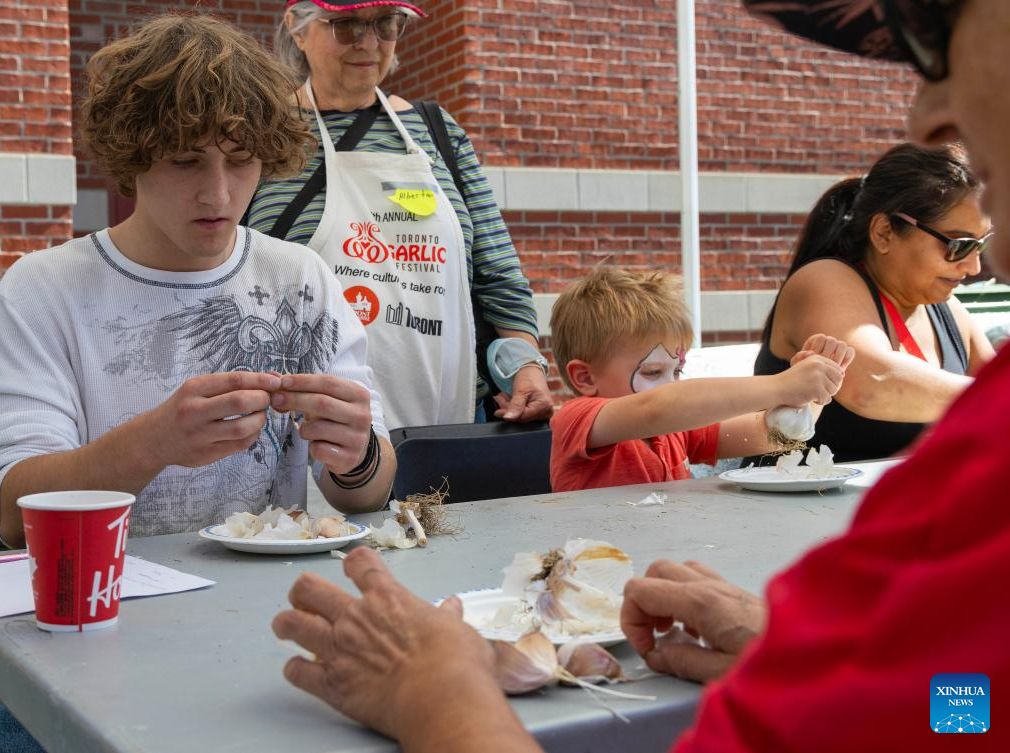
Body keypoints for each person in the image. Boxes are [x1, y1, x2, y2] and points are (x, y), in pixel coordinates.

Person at [272, 1, 1010, 751]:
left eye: (940, 53)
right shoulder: (587, 419)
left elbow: (962, 711)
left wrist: (439, 701)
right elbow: (963, 709)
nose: (924, 114)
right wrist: (801, 652)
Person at [0, 13, 396, 551]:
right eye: (185, 161)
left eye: (242, 160)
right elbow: (12, 514)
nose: (219, 195)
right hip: (101, 593)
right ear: (132, 155)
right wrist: (153, 442)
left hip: (270, 595)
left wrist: (359, 455)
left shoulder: (301, 276)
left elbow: (367, 495)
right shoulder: (44, 289)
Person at [247, 0, 553, 429]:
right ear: (297, 29)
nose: (368, 42)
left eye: (385, 24)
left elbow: (496, 270)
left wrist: (526, 365)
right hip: (304, 426)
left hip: (444, 423)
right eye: (346, 25)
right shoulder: (262, 133)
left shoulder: (437, 130)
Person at [751, 141, 993, 463]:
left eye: (981, 245)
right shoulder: (824, 280)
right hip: (794, 494)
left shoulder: (949, 312)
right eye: (958, 245)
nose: (973, 267)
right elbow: (873, 383)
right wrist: (990, 400)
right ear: (884, 232)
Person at [546, 268, 853, 492]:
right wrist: (781, 385)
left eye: (676, 371)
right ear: (585, 377)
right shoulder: (577, 420)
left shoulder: (675, 430)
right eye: (652, 372)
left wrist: (808, 396)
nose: (671, 385)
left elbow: (772, 436)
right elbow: (655, 409)